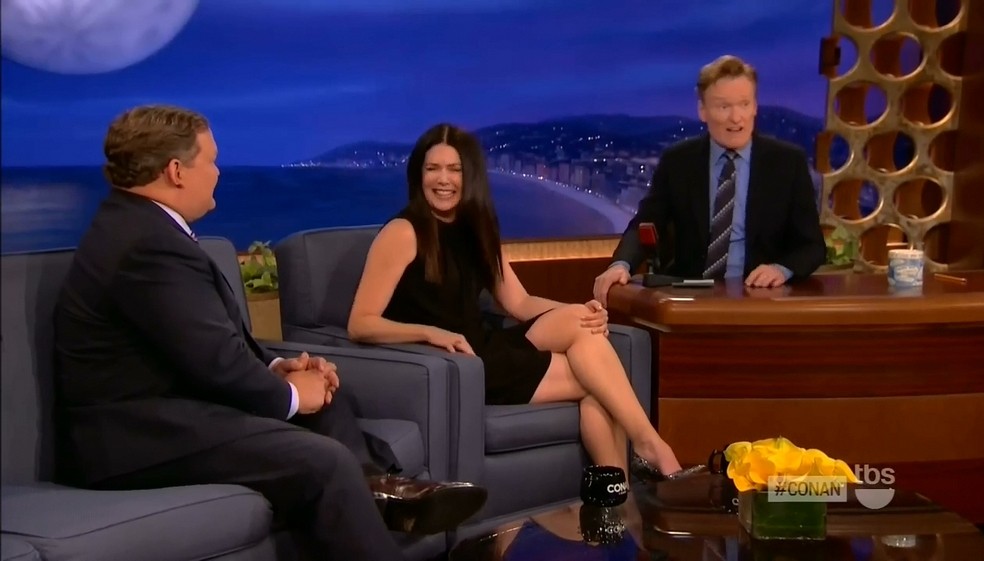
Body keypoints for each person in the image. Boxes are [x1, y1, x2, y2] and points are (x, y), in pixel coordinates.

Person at [54, 105, 486, 561]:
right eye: (212, 161)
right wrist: (291, 394)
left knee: (330, 402)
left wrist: (279, 367)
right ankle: (372, 501)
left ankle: (376, 495)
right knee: (325, 460)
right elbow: (215, 362)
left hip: (182, 408)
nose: (218, 173)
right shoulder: (146, 243)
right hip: (137, 439)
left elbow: (202, 343)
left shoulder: (143, 227)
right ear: (177, 171)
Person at [347, 123, 682, 479]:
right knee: (599, 382)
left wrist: (580, 310)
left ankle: (628, 473)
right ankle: (638, 464)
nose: (443, 179)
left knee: (583, 326)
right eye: (433, 168)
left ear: (470, 175)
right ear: (419, 175)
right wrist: (429, 333)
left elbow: (519, 303)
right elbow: (360, 323)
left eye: (454, 169)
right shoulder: (403, 232)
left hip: (484, 343)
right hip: (458, 365)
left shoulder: (477, 227)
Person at [593, 55, 825, 306]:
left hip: (758, 299)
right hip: (689, 297)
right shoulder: (678, 161)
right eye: (724, 107)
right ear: (702, 111)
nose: (736, 117)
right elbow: (645, 224)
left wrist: (781, 269)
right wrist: (621, 265)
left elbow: (812, 247)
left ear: (755, 107)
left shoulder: (787, 162)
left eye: (744, 104)